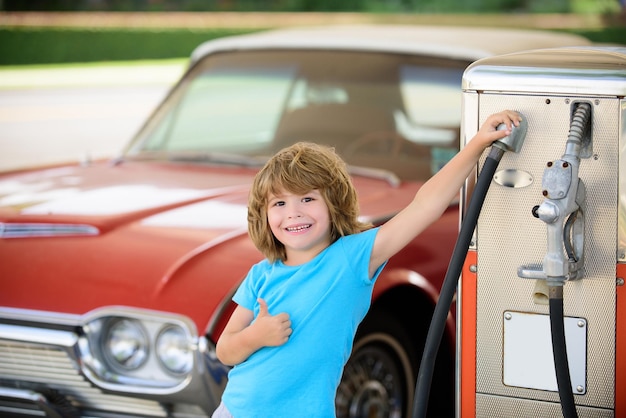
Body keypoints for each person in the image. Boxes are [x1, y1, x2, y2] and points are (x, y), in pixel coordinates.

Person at [212, 110, 522, 418]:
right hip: (235, 409)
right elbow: (225, 350)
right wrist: (256, 336)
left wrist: (477, 143)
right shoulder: (261, 274)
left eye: (307, 199)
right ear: (264, 215)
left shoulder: (353, 258)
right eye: (279, 203)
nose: (293, 212)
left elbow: (425, 206)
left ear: (333, 205)